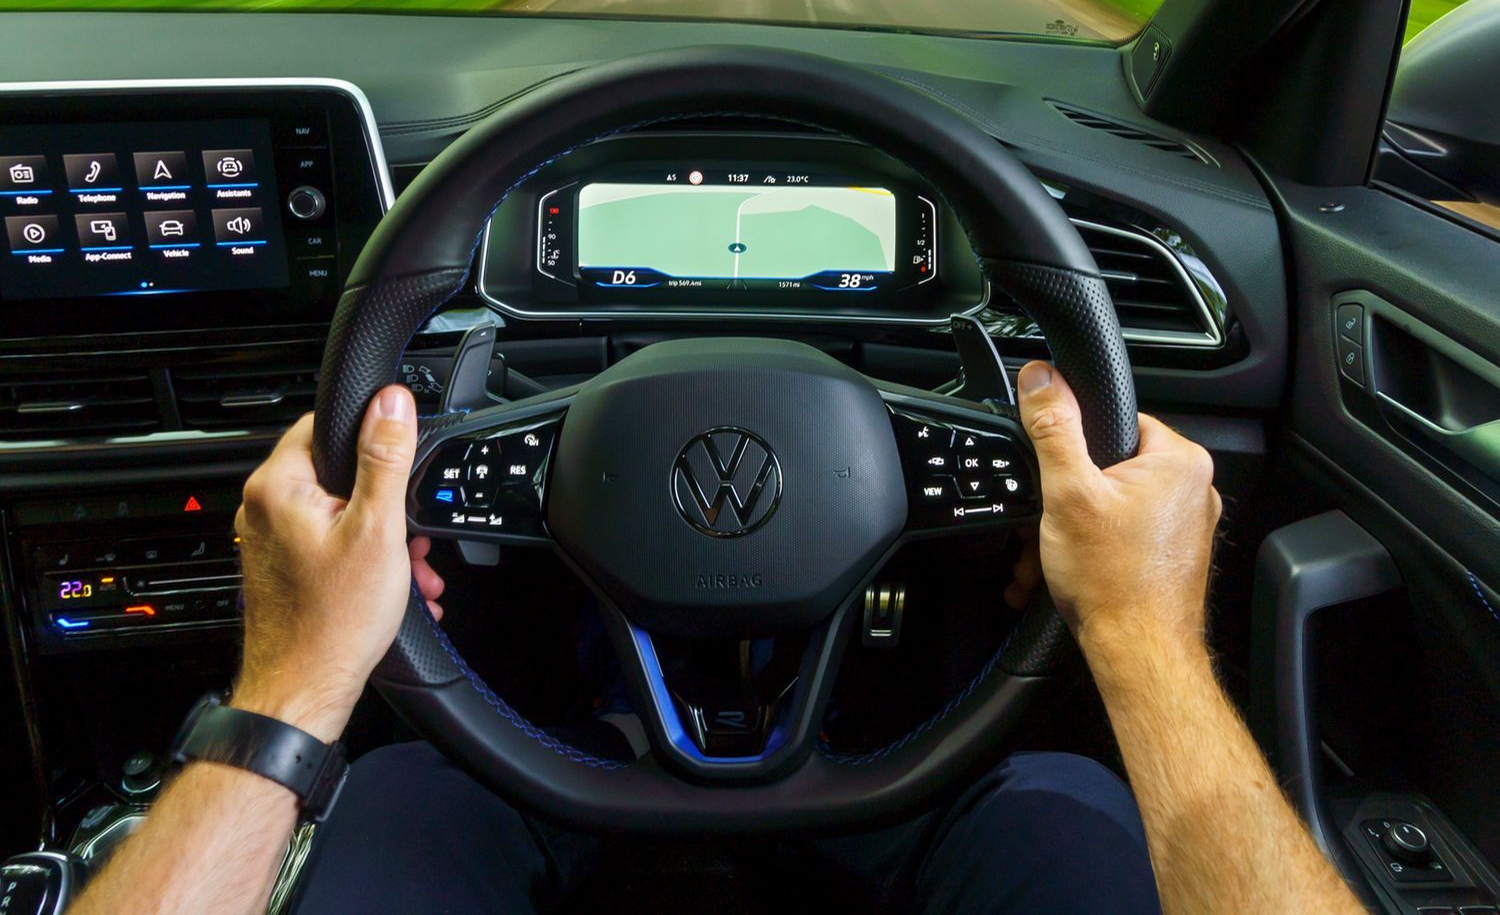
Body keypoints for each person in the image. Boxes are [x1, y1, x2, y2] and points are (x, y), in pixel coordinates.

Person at [68, 362, 1366, 914]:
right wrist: (1146, 638)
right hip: (928, 800)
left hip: (520, 779)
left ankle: (579, 732)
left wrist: (297, 673)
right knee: (1059, 799)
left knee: (410, 790)